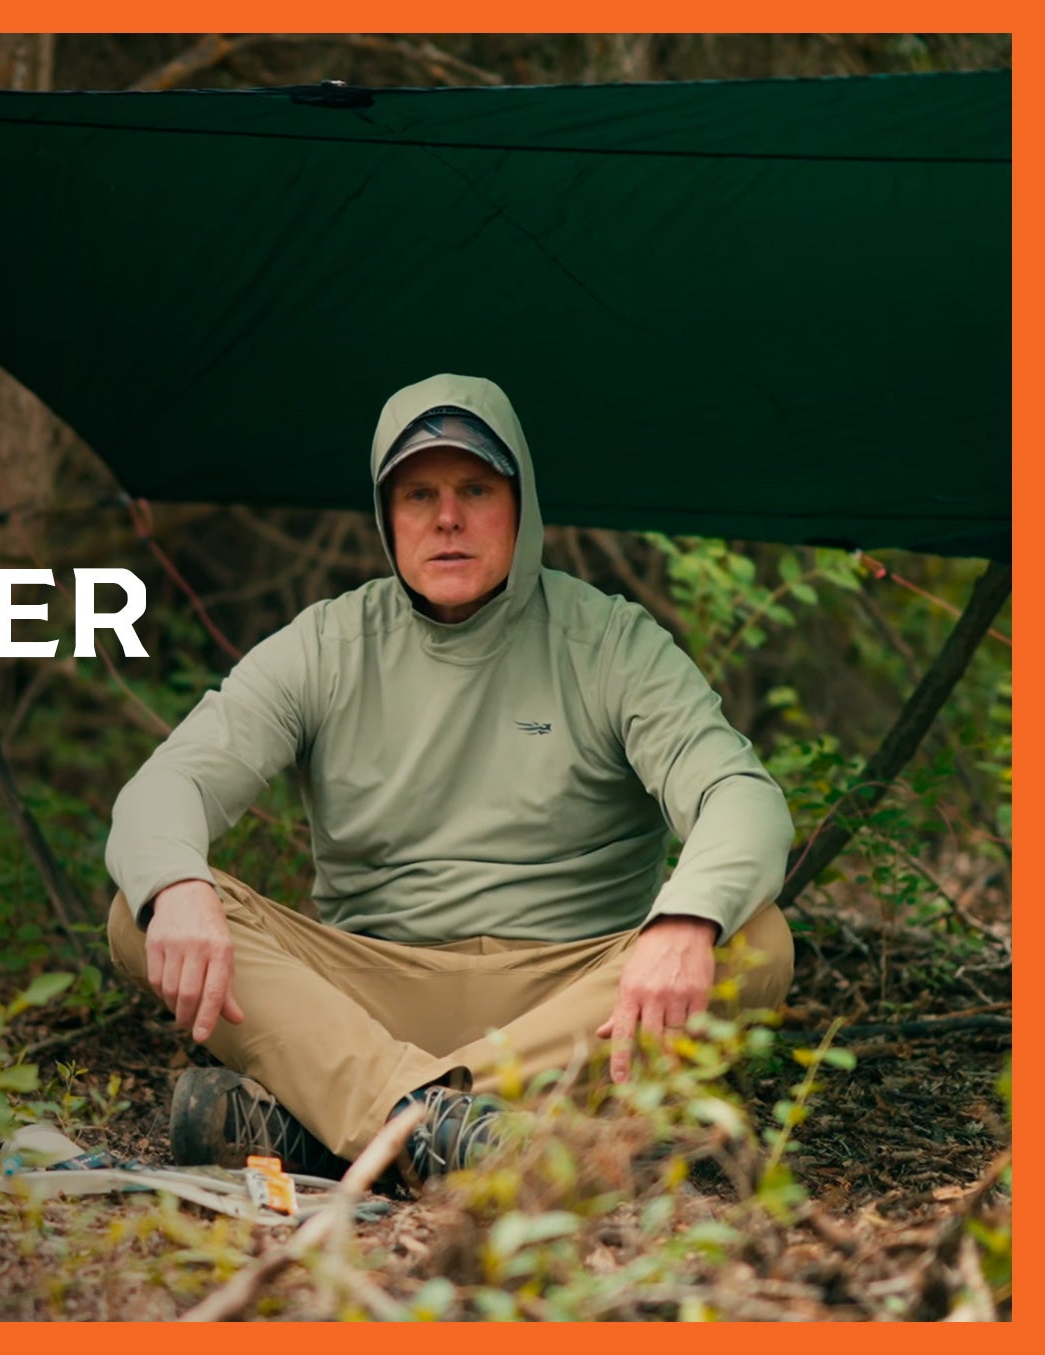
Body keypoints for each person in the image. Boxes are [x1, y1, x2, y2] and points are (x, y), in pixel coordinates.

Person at [104, 373, 796, 1184]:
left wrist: (682, 920)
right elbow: (166, 785)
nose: (447, 518)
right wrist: (179, 884)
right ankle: (476, 1131)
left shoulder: (609, 642)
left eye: (476, 487)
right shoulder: (330, 643)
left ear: (522, 503)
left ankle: (342, 1128)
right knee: (140, 906)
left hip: (574, 992)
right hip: (369, 988)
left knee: (753, 940)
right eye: (417, 494)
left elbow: (740, 796)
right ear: (385, 516)